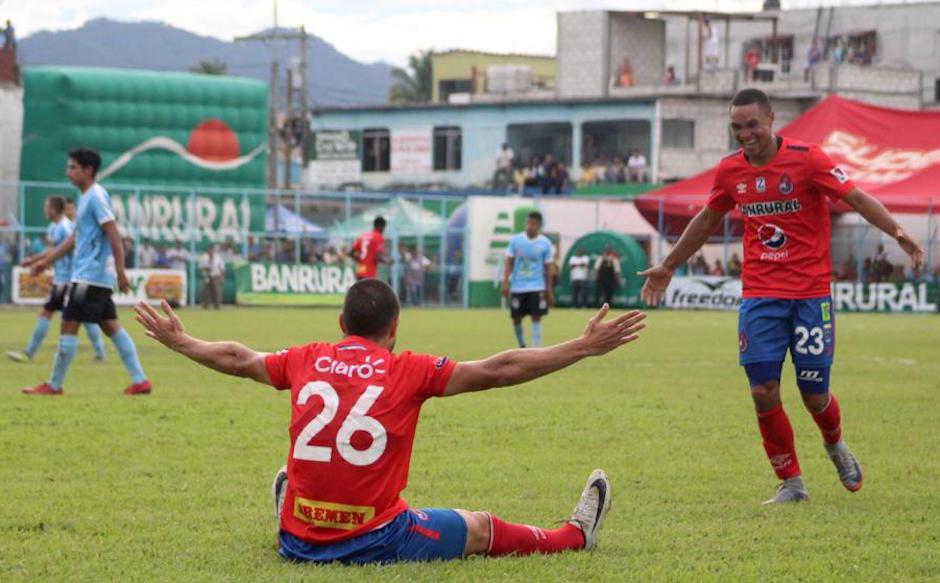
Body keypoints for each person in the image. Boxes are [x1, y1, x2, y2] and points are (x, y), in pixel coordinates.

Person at [133, 279, 647, 565]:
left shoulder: (305, 358)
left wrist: (181, 341)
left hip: (296, 540)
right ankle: (574, 536)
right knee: (479, 528)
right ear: (395, 327)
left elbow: (236, 357)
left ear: (341, 324)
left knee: (301, 476)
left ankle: (295, 509)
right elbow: (498, 369)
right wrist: (581, 347)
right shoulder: (409, 369)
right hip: (378, 538)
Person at [638, 88, 923, 504]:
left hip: (810, 295)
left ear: (771, 119)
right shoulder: (730, 172)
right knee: (762, 390)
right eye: (737, 127)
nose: (745, 134)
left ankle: (834, 444)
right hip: (760, 296)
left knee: (814, 395)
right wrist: (668, 264)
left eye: (752, 124)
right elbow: (706, 219)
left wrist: (897, 232)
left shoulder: (809, 159)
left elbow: (857, 198)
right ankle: (791, 482)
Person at [20, 148, 151, 396]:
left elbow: (113, 232)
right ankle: (140, 381)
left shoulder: (96, 196)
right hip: (94, 278)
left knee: (68, 325)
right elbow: (74, 239)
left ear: (88, 170)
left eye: (72, 167)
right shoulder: (86, 198)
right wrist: (45, 261)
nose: (67, 172)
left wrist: (121, 270)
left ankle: (54, 385)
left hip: (87, 277)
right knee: (112, 327)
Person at [6, 196, 107, 363]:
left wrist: (37, 262)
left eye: (47, 207)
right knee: (83, 316)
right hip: (63, 278)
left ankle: (29, 352)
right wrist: (35, 260)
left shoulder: (65, 227)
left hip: (68, 280)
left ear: (54, 209)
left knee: (47, 312)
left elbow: (63, 250)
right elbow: (52, 250)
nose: (45, 210)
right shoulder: (54, 227)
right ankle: (100, 353)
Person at [501, 211, 554, 348]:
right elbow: (508, 262)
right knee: (515, 318)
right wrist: (505, 282)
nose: (530, 226)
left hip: (537, 286)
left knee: (536, 317)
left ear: (539, 226)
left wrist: (549, 290)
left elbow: (549, 269)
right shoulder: (515, 241)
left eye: (533, 224)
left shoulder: (545, 244)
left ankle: (536, 349)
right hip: (518, 286)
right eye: (528, 223)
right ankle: (522, 345)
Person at [351, 216, 386, 281]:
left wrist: (359, 260)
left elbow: (351, 253)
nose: (383, 230)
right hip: (369, 273)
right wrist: (387, 261)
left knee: (360, 291)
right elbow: (377, 257)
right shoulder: (378, 237)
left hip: (360, 271)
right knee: (372, 291)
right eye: (383, 227)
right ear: (380, 226)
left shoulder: (362, 236)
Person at [199, 244, 225, 310]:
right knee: (205, 291)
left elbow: (222, 268)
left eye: (213, 250)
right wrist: (206, 268)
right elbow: (201, 267)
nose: (211, 251)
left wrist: (222, 277)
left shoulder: (218, 257)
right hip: (206, 276)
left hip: (215, 276)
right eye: (210, 249)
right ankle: (205, 305)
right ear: (208, 250)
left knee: (216, 291)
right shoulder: (204, 257)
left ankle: (217, 305)